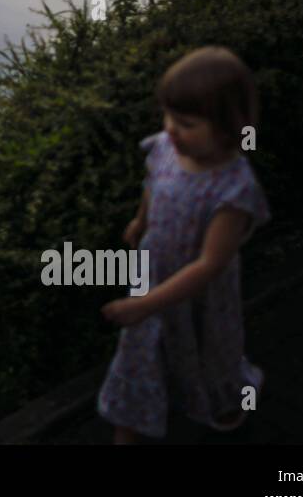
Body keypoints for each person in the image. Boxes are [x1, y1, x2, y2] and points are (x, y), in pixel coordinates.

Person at [97, 46, 271, 443]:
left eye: (187, 122)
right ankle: (131, 423)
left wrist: (144, 304)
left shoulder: (234, 189)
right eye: (169, 116)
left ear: (229, 127)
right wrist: (141, 219)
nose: (172, 129)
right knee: (139, 356)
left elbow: (210, 265)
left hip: (202, 301)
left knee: (209, 359)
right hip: (153, 272)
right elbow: (152, 183)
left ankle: (221, 405)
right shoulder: (165, 147)